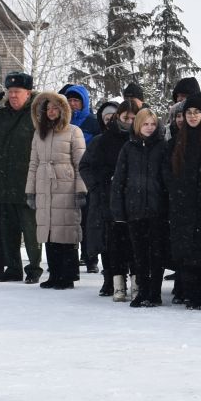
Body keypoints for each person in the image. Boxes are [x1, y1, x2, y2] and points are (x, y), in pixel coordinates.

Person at [0, 72, 40, 283]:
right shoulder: (0, 115)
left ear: (28, 93)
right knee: (8, 230)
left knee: (31, 231)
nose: (13, 96)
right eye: (10, 92)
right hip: (2, 181)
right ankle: (13, 268)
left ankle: (34, 268)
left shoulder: (36, 114)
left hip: (27, 182)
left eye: (17, 92)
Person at [111, 105, 172, 306]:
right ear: (137, 125)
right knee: (139, 255)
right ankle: (142, 291)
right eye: (145, 124)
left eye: (153, 124)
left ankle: (154, 293)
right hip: (134, 210)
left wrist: (168, 205)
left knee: (156, 254)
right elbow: (119, 180)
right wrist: (119, 210)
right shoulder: (128, 148)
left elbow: (167, 180)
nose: (149, 127)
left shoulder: (163, 147)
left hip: (157, 210)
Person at [27, 91, 88, 288]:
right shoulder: (39, 133)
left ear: (63, 110)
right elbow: (33, 164)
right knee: (49, 232)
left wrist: (81, 190)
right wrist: (31, 191)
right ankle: (54, 274)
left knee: (66, 232)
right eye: (48, 108)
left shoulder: (73, 131)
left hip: (66, 186)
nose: (51, 112)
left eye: (55, 108)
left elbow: (81, 164)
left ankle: (68, 276)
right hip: (44, 186)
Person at [83, 100, 134, 298]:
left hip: (132, 199)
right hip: (106, 197)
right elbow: (85, 166)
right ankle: (110, 278)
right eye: (125, 117)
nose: (129, 121)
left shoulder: (137, 140)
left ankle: (133, 278)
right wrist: (97, 185)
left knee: (130, 240)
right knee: (108, 240)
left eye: (132, 118)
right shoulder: (100, 141)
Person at [168, 100, 201, 308]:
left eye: (197, 112)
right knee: (186, 251)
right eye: (189, 113)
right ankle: (189, 294)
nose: (193, 116)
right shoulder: (177, 141)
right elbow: (168, 172)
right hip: (182, 203)